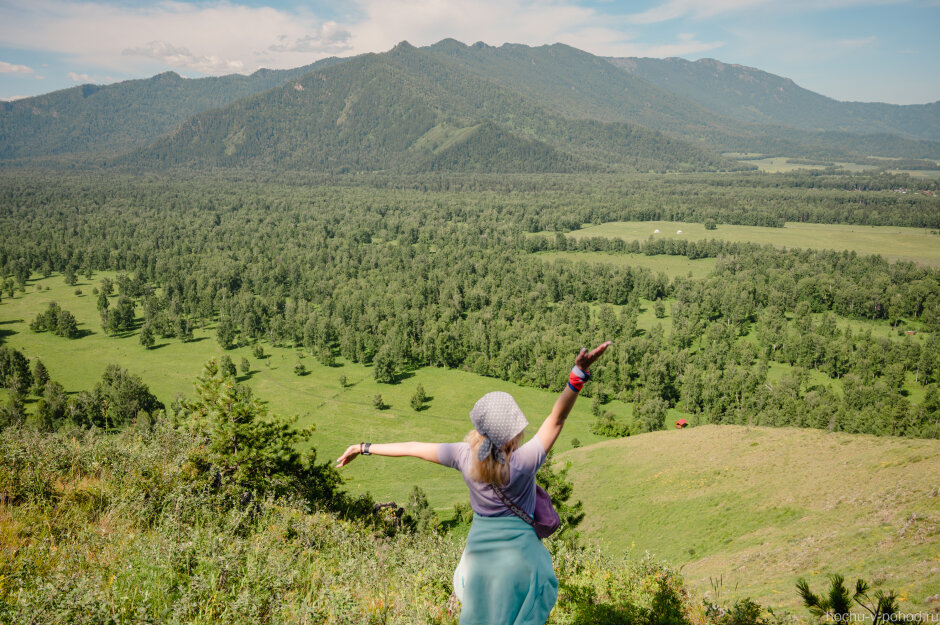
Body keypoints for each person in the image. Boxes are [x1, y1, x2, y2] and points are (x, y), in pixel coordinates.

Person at [336, 341, 611, 625]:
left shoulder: (463, 456)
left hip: (479, 555)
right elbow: (557, 418)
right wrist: (578, 373)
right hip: (523, 559)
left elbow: (412, 446)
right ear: (514, 435)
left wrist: (362, 447)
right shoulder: (525, 462)